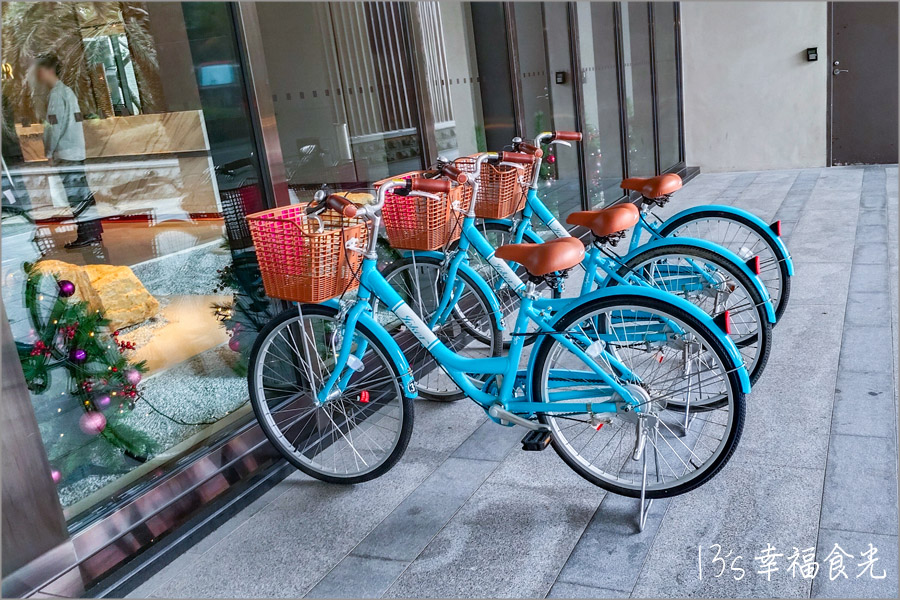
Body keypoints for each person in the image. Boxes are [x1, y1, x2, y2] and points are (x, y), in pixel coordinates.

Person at [34, 53, 102, 248]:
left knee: (76, 196)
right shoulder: (67, 92)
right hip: (75, 150)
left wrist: (48, 152)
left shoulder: (56, 94)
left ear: (47, 70)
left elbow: (54, 127)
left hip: (66, 153)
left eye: (39, 70)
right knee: (83, 194)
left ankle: (87, 234)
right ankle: (93, 232)